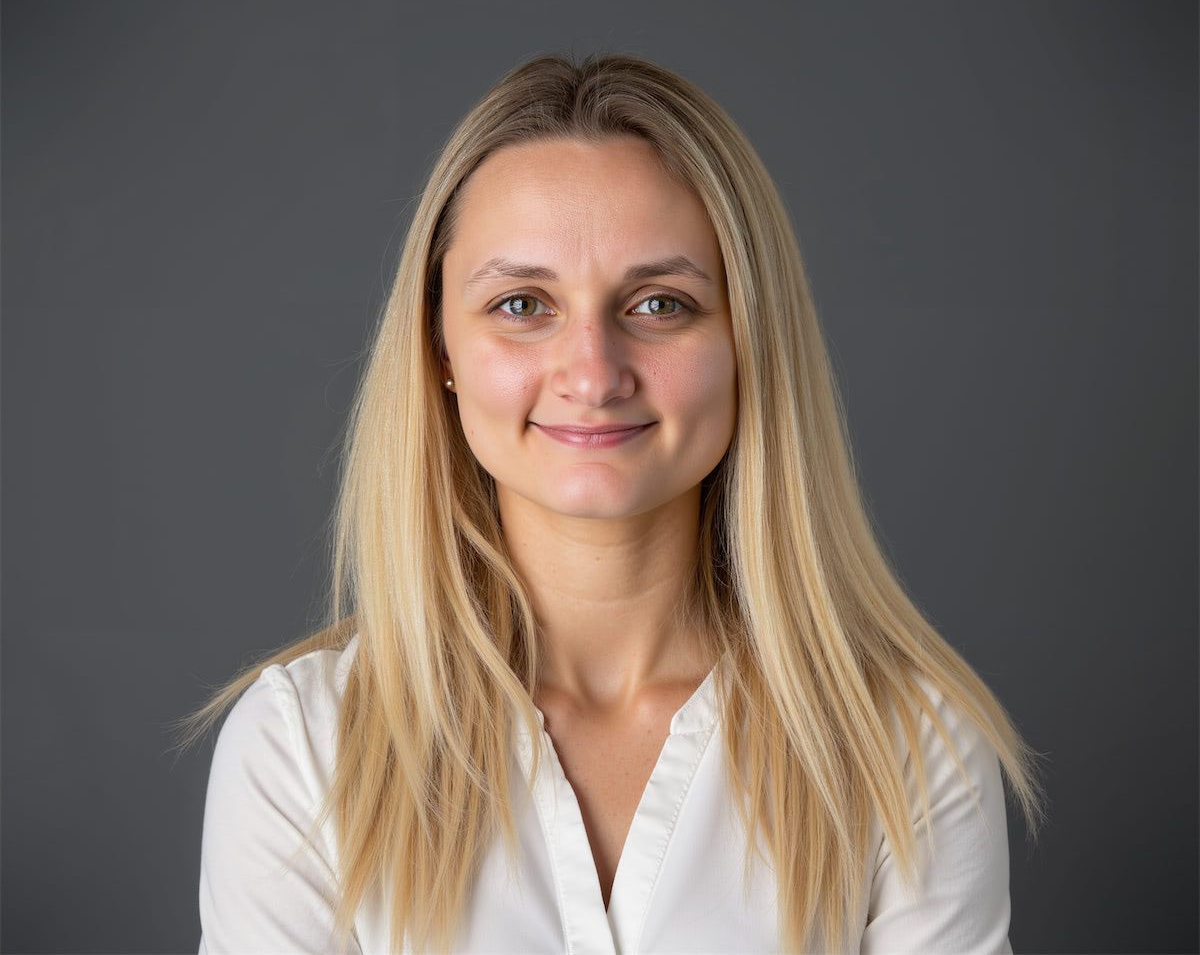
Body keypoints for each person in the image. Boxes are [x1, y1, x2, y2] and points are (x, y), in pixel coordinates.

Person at [174, 51, 1048, 954]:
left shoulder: (904, 746)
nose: (593, 373)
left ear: (749, 339)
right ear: (439, 345)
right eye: (521, 304)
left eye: (661, 303)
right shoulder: (304, 746)